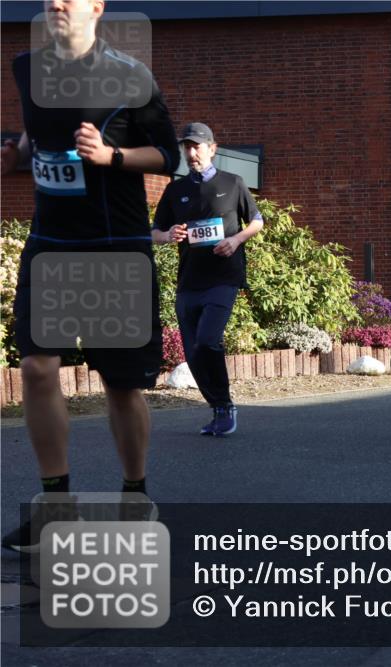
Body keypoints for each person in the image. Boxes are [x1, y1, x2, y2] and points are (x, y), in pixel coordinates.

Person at [2, 0, 179, 551]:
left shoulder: (130, 75)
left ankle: (135, 496)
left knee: (121, 387)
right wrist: (16, 153)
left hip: (115, 247)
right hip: (52, 242)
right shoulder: (28, 68)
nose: (56, 3)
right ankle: (56, 507)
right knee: (36, 367)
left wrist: (113, 156)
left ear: (96, 8)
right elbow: (39, 137)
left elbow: (168, 154)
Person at [152, 123, 263, 436]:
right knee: (193, 352)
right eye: (187, 147)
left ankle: (225, 405)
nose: (191, 152)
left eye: (197, 146)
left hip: (223, 278)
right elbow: (154, 231)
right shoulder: (176, 190)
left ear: (212, 148)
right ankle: (218, 409)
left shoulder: (233, 182)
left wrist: (236, 240)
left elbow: (256, 221)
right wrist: (167, 235)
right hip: (189, 282)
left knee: (207, 339)